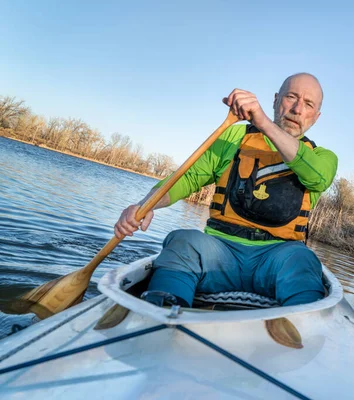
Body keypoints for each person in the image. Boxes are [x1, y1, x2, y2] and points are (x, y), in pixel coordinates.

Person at [114, 73, 338, 308]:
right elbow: (188, 178)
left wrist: (263, 122)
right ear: (275, 99)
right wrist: (146, 204)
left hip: (279, 260)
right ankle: (162, 316)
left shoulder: (323, 158)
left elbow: (317, 177)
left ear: (316, 116)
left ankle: (300, 328)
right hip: (218, 254)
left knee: (304, 259)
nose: (297, 109)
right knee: (183, 241)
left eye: (308, 103)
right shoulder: (234, 136)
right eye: (291, 97)